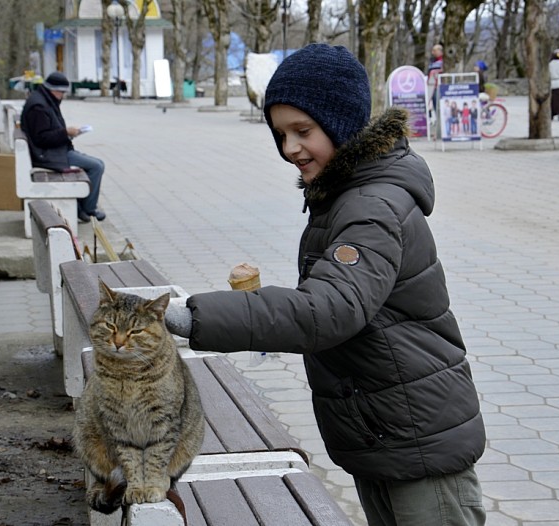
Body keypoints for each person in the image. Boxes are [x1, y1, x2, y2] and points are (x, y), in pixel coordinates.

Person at [165, 43, 486, 525]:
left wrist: (196, 317)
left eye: (303, 131)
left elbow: (329, 309)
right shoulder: (342, 196)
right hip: (383, 428)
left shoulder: (371, 206)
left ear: (341, 122)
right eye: (280, 134)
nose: (290, 148)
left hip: (418, 434)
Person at [20, 71, 106, 222]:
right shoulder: (39, 107)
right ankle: (88, 209)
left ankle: (83, 207)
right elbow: (42, 138)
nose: (64, 96)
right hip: (47, 154)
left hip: (54, 150)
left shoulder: (44, 100)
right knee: (97, 166)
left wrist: (69, 134)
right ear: (54, 90)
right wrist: (65, 132)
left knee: (96, 164)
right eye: (62, 92)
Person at [427, 43, 444, 115]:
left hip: (439, 87)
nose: (432, 53)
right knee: (435, 107)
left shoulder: (443, 62)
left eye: (434, 51)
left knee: (439, 107)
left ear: (440, 51)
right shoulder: (432, 62)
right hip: (432, 88)